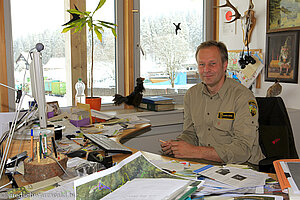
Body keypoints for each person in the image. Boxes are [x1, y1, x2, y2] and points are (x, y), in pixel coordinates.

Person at [161, 40, 265, 165]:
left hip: (242, 167)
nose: (206, 70)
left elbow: (242, 150)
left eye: (212, 64)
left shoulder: (243, 97)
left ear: (225, 65)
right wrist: (177, 145)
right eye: (201, 64)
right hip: (207, 165)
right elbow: (190, 133)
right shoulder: (192, 95)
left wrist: (195, 151)